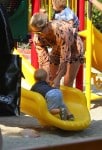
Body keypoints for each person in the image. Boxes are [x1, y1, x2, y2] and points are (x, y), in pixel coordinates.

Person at [30, 12, 84, 88]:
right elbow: (44, 60)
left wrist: (58, 78)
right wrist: (47, 77)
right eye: (35, 32)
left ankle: (66, 98)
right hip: (57, 48)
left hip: (74, 48)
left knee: (67, 81)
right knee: (51, 78)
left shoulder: (62, 30)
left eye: (39, 32)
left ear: (47, 24)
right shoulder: (38, 38)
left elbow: (65, 58)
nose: (38, 35)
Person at [52, 0, 84, 87]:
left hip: (71, 38)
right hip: (61, 40)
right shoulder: (56, 13)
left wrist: (69, 32)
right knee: (54, 75)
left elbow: (71, 24)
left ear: (59, 4)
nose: (51, 5)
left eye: (53, 3)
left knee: (67, 78)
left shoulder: (67, 12)